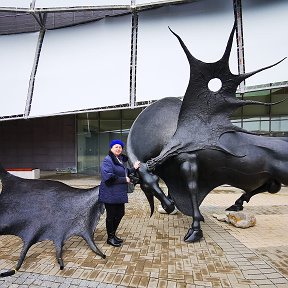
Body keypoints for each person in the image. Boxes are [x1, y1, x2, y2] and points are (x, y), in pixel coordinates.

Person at [99, 139, 140, 247]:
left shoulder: (120, 160)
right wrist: (124, 180)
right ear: (111, 148)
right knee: (111, 216)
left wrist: (134, 168)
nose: (118, 148)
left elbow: (124, 172)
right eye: (116, 147)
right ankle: (110, 238)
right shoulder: (108, 160)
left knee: (120, 214)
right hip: (110, 193)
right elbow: (107, 177)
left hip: (118, 193)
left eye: (120, 147)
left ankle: (113, 235)